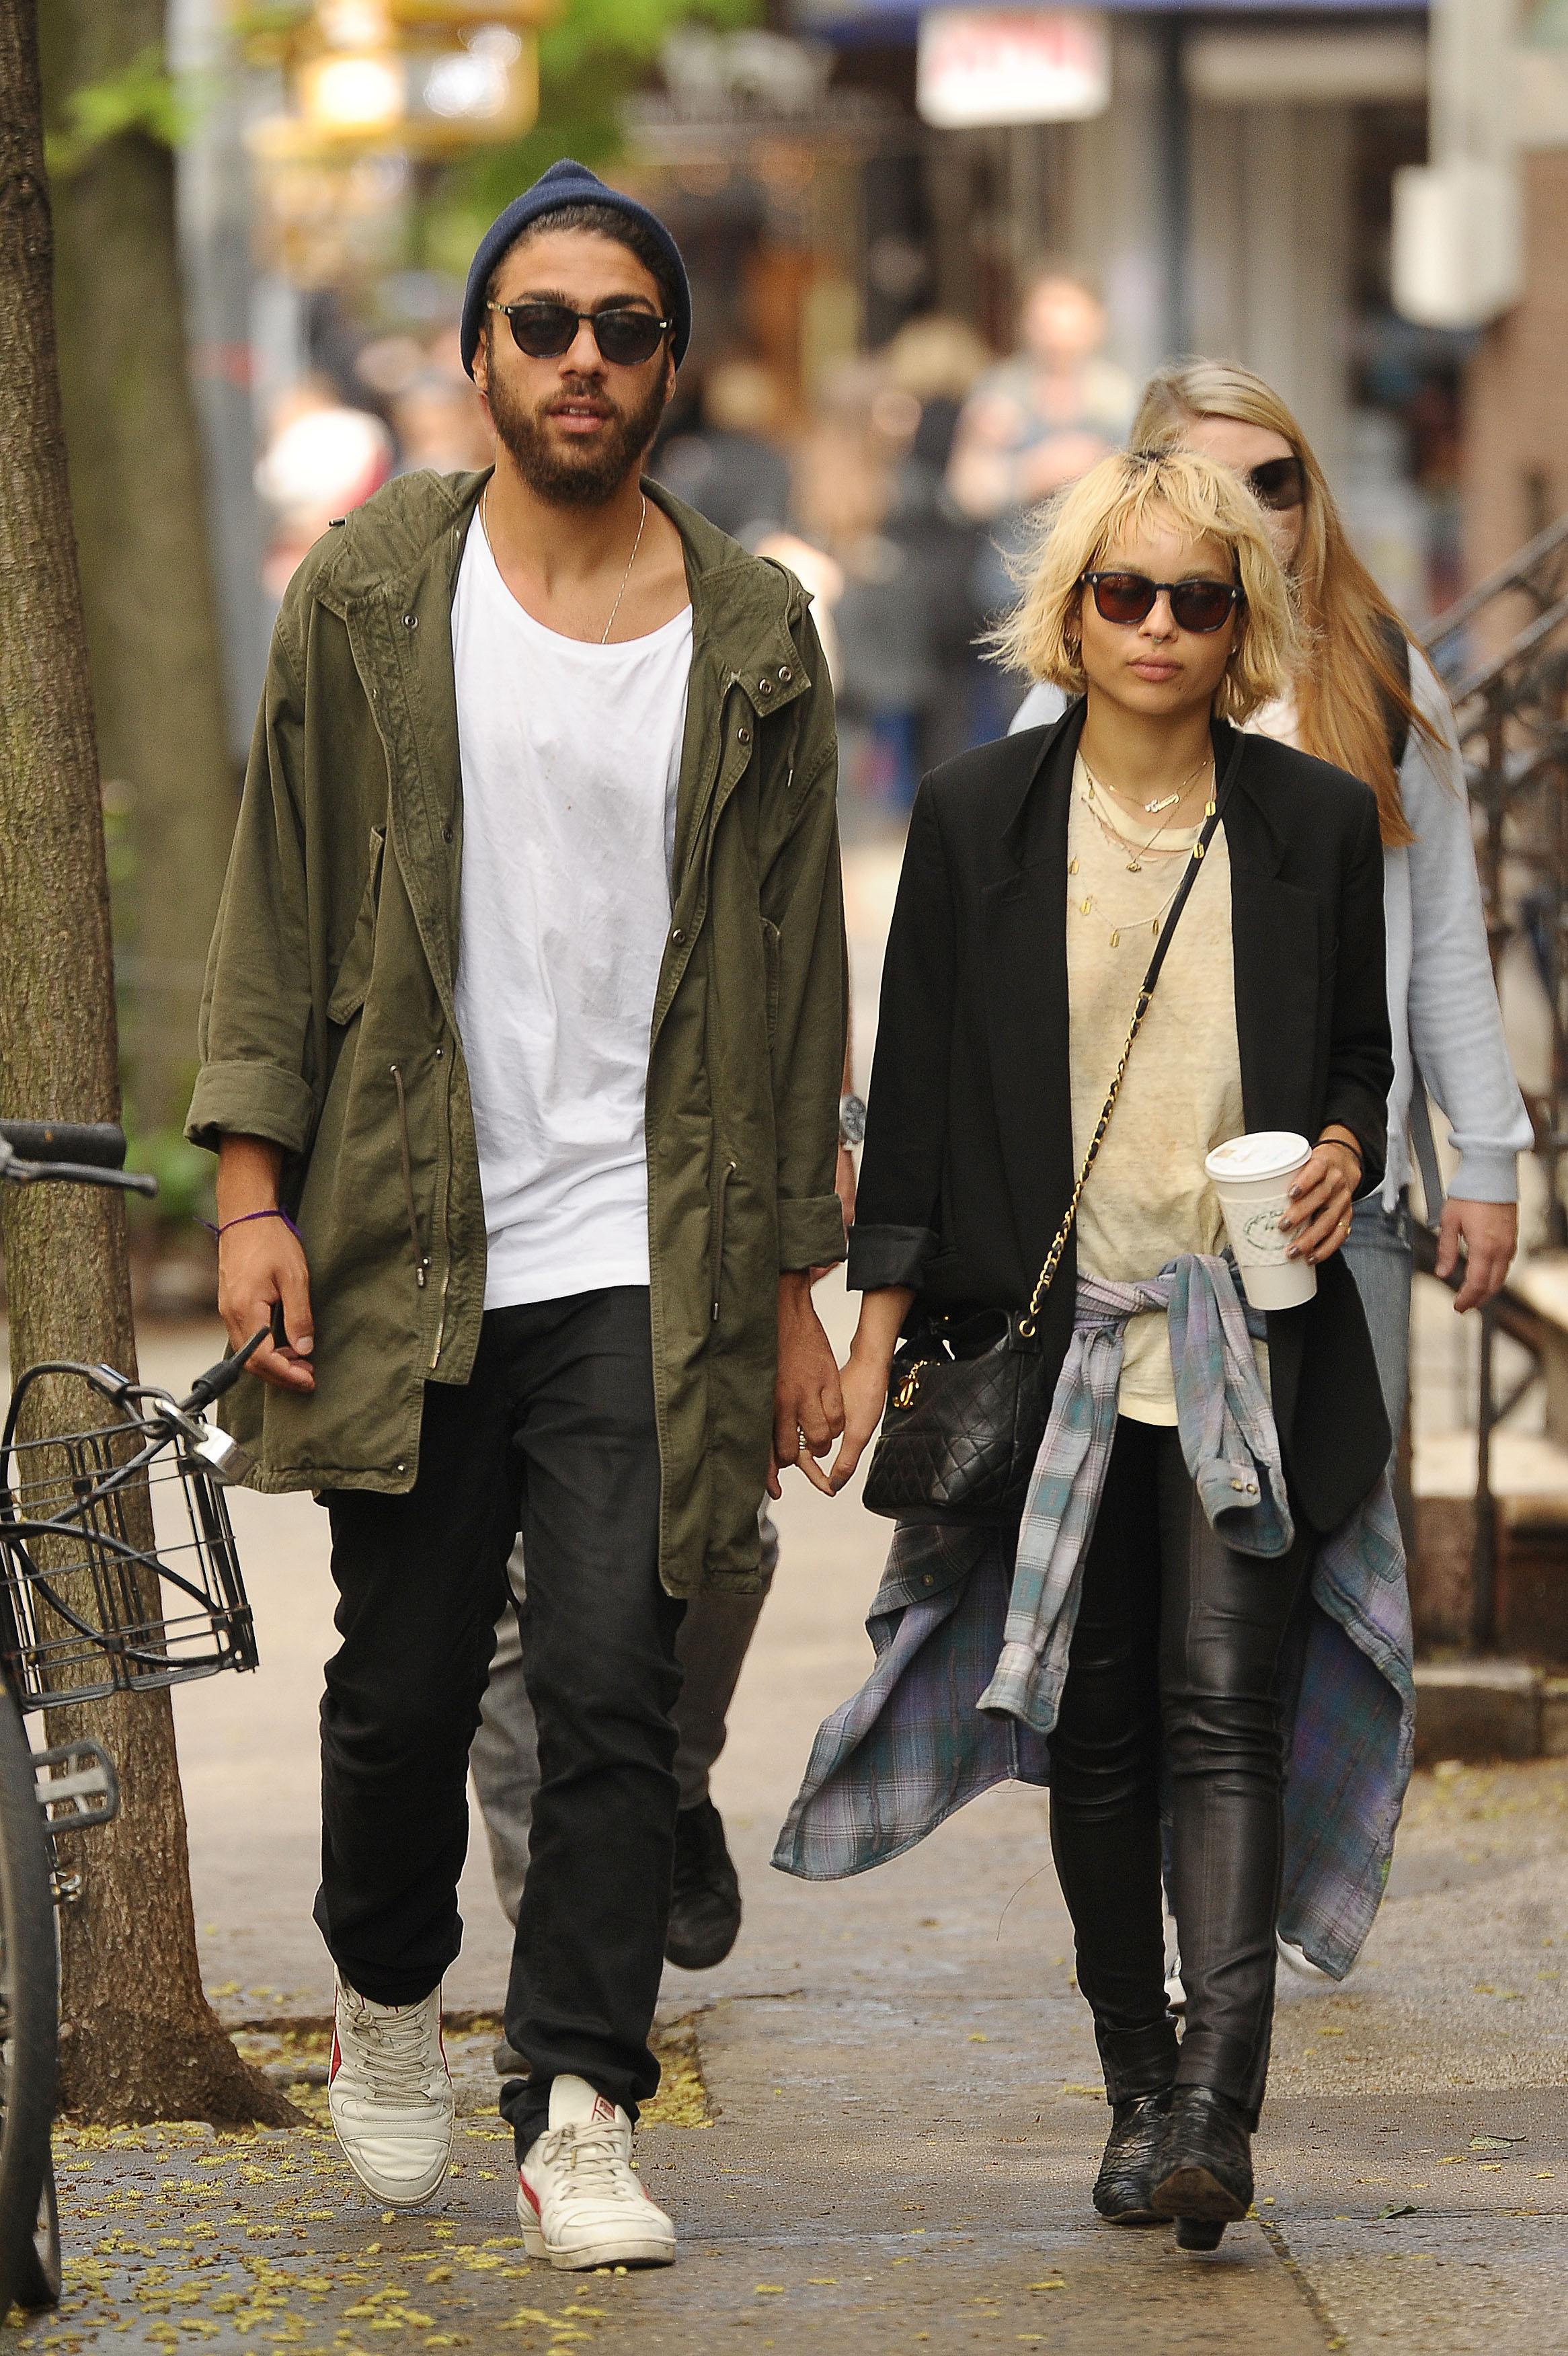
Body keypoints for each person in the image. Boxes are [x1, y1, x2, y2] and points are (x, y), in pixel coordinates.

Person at [188, 159, 849, 2270]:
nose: (582, 361)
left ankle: (578, 2097)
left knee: (610, 1691)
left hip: (642, 1255)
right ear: (476, 354)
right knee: (390, 1699)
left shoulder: (753, 631)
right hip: (410, 1231)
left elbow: (797, 969)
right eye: (542, 324)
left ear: (670, 362)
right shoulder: (374, 590)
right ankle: (386, 1999)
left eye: (622, 329)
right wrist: (250, 1198)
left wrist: (798, 1295)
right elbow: (275, 900)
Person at [779, 448, 1413, 2251]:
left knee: (1228, 1718)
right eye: (1121, 594)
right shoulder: (981, 818)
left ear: (1242, 628)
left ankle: (1214, 2110)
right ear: (1069, 614)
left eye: (1194, 599)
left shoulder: (1302, 823)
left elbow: (1354, 1059)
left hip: (1243, 1344)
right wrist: (868, 1344)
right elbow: (906, 1112)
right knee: (1106, 1723)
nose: (1153, 626)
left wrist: (1350, 1150)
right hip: (1045, 1346)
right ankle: (1135, 2082)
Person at [1012, 361, 1530, 1433]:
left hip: (1335, 1198)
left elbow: (1438, 939)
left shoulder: (1379, 679)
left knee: (1337, 1545)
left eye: (1275, 481)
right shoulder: (1081, 684)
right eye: (1211, 482)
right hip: (1126, 1201)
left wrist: (1485, 1156)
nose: (1249, 513)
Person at [473, 1107, 861, 1996]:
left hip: (672, 1204)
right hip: (481, 1229)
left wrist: (831, 1129)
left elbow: (797, 971)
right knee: (509, 1616)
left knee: (727, 1542)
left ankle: (673, 1783)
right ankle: (563, 1963)